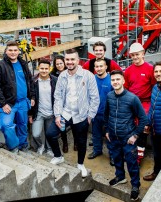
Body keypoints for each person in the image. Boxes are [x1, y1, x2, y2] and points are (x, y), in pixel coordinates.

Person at [46, 49, 99, 178]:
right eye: (67, 60)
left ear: (78, 60)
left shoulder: (88, 76)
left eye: (72, 59)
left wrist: (90, 115)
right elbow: (57, 97)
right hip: (65, 114)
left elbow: (95, 98)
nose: (69, 62)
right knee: (50, 134)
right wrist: (58, 115)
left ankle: (81, 164)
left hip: (81, 115)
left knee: (81, 142)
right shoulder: (62, 76)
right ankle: (58, 156)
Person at [104, 70, 147, 201]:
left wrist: (134, 136)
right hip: (113, 136)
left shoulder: (132, 98)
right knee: (116, 159)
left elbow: (143, 119)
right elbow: (106, 114)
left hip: (128, 138)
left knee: (132, 163)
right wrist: (107, 130)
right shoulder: (109, 96)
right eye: (113, 80)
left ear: (123, 81)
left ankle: (135, 186)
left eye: (118, 79)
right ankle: (120, 177)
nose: (115, 82)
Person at [0, 41, 35, 153]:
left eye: (15, 50)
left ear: (18, 51)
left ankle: (23, 146)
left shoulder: (23, 64)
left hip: (23, 102)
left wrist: (32, 97)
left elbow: (30, 81)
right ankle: (14, 147)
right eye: (10, 50)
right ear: (6, 51)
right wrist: (3, 104)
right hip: (8, 103)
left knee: (22, 125)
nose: (13, 52)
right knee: (6, 125)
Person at [124, 42, 156, 165]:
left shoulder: (149, 69)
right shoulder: (128, 71)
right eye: (132, 55)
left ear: (143, 54)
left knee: (143, 128)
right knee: (130, 126)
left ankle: (139, 155)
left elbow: (154, 88)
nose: (135, 57)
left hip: (145, 103)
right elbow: (126, 88)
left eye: (137, 54)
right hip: (131, 103)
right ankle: (131, 151)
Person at [87, 59, 114, 165]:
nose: (99, 68)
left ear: (106, 67)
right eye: (96, 66)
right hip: (95, 113)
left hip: (108, 115)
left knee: (109, 136)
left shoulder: (111, 80)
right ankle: (97, 151)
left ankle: (112, 155)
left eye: (101, 66)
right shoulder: (92, 79)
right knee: (96, 134)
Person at [29, 59, 57, 156]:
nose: (44, 71)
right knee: (36, 134)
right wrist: (30, 115)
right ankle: (41, 146)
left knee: (50, 134)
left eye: (46, 68)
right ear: (38, 68)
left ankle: (49, 149)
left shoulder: (54, 80)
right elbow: (30, 97)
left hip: (51, 113)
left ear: (50, 69)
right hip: (38, 113)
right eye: (42, 68)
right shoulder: (33, 81)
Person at [51, 55, 77, 153]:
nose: (59, 65)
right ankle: (65, 143)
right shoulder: (52, 75)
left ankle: (76, 142)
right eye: (57, 64)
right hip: (60, 105)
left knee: (74, 125)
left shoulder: (70, 73)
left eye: (61, 63)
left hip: (71, 104)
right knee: (62, 126)